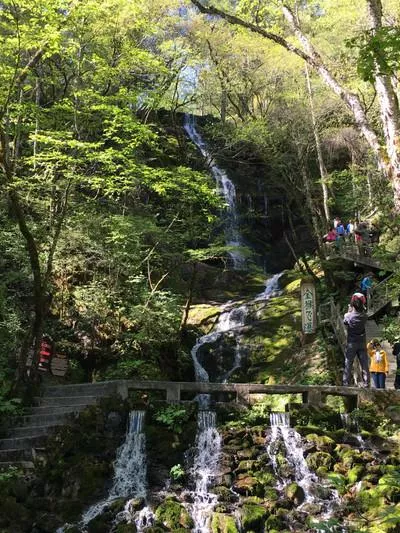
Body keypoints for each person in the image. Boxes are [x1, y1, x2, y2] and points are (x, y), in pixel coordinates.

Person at [343, 293, 370, 387]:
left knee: (348, 362)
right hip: (362, 342)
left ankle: (345, 382)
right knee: (364, 363)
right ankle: (366, 383)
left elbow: (345, 322)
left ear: (352, 306)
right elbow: (363, 313)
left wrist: (349, 311)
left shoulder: (348, 315)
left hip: (351, 343)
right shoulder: (364, 316)